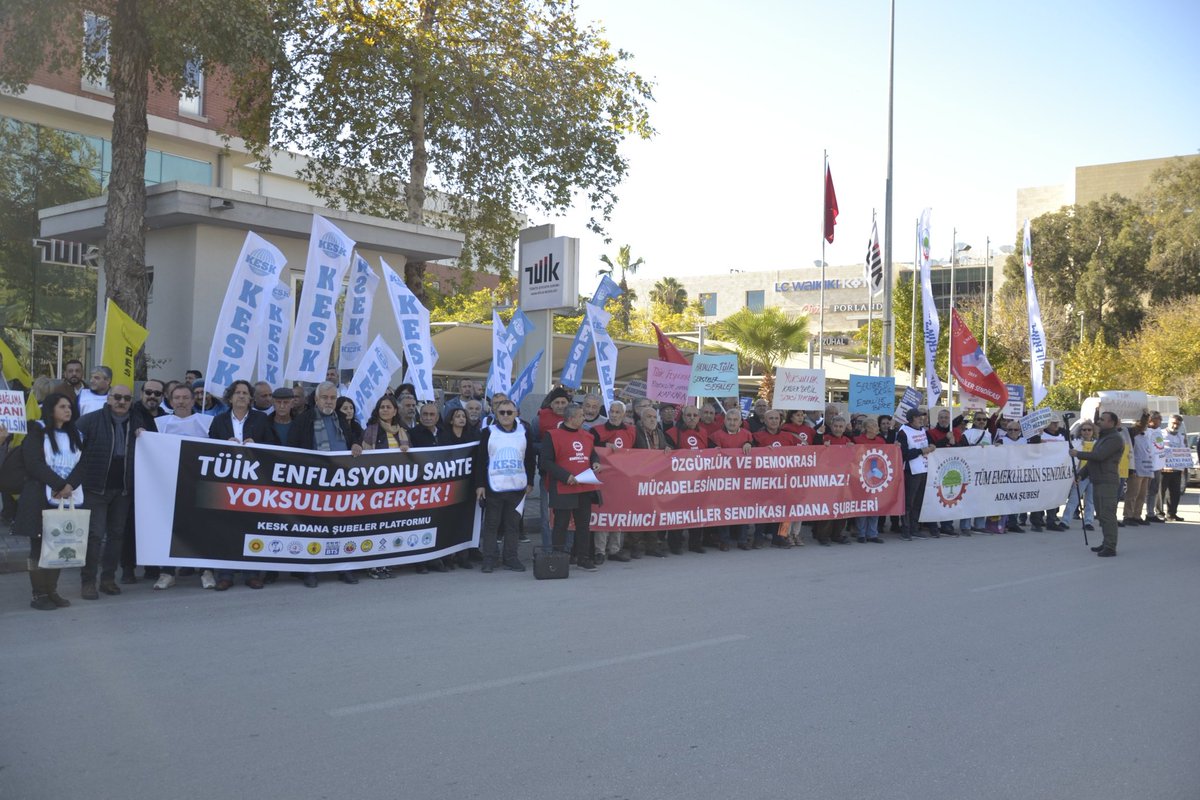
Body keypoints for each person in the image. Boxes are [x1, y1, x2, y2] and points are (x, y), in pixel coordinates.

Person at [77, 384, 155, 599]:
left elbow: (155, 447)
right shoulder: (90, 420)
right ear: (109, 398)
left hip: (123, 489)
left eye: (126, 398)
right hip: (95, 488)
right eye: (117, 397)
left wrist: (145, 436)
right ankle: (88, 582)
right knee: (94, 536)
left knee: (117, 536)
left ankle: (108, 579)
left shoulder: (139, 421)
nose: (122, 402)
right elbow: (72, 447)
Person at [289, 381, 363, 586]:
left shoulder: (341, 418)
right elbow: (293, 449)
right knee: (313, 527)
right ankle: (310, 570)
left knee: (340, 527)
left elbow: (353, 437)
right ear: (316, 399)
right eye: (325, 398)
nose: (329, 401)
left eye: (332, 398)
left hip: (341, 482)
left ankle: (343, 567)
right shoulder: (303, 420)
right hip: (314, 483)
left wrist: (356, 443)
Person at [16, 393, 83, 610]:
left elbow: (84, 464)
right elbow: (34, 463)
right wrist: (60, 485)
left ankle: (52, 590)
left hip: (65, 497)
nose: (68, 410)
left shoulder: (77, 434)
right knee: (39, 547)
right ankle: (39, 594)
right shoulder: (37, 431)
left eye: (69, 407)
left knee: (59, 546)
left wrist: (69, 486)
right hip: (39, 498)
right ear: (51, 409)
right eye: (62, 406)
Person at [208, 380, 274, 590]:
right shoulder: (219, 421)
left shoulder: (261, 419)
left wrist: (258, 446)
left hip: (253, 483)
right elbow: (208, 448)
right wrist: (222, 446)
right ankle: (225, 575)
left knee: (250, 526)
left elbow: (274, 447)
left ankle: (251, 574)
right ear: (230, 397)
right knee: (226, 529)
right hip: (227, 482)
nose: (242, 396)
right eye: (238, 393)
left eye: (246, 393)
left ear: (251, 398)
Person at [474, 398, 536, 573]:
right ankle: (489, 559)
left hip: (517, 487)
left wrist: (530, 481)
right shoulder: (488, 432)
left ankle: (511, 558)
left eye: (510, 412)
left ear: (516, 413)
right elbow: (480, 460)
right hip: (494, 486)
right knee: (491, 525)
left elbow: (530, 458)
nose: (506, 415)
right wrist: (480, 485)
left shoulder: (524, 431)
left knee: (512, 525)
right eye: (502, 412)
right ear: (496, 413)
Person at [542, 404, 606, 571]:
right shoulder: (552, 435)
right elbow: (545, 462)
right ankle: (558, 557)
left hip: (584, 486)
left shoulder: (587, 436)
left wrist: (596, 462)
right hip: (563, 487)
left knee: (583, 524)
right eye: (580, 415)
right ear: (571, 418)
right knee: (561, 524)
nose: (584, 418)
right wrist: (565, 476)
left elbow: (591, 453)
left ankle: (583, 558)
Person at [1071, 411, 1124, 557]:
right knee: (1101, 515)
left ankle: (1110, 546)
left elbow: (1100, 456)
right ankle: (1106, 542)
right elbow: (1093, 461)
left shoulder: (1114, 439)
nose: (1099, 421)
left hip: (1107, 482)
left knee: (1107, 515)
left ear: (1111, 422)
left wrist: (1078, 454)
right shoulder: (1103, 438)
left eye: (1102, 419)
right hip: (1098, 480)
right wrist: (1081, 474)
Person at [592, 400, 635, 562]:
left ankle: (615, 549)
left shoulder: (631, 431)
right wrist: (604, 444)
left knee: (619, 513)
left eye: (618, 412)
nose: (614, 415)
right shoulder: (597, 431)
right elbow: (589, 446)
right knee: (603, 514)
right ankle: (600, 551)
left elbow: (639, 452)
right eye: (612, 411)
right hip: (603, 479)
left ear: (624, 415)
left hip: (622, 480)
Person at [710, 406, 754, 550]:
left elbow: (757, 451)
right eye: (729, 419)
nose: (732, 422)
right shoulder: (716, 436)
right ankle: (724, 540)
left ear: (741, 422)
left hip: (743, 479)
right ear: (725, 421)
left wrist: (749, 444)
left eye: (735, 420)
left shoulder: (747, 435)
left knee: (742, 510)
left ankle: (742, 539)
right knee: (724, 510)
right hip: (724, 480)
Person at [752, 409, 795, 548]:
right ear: (764, 420)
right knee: (763, 508)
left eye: (776, 418)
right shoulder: (757, 436)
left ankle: (781, 537)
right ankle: (758, 537)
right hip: (764, 480)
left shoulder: (789, 437)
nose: (774, 421)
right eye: (771, 418)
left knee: (785, 509)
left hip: (785, 479)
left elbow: (800, 456)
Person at [895, 408, 936, 541]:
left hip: (923, 470)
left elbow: (929, 443)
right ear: (912, 418)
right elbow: (904, 454)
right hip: (910, 471)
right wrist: (921, 450)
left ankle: (915, 528)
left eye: (922, 417)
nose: (921, 419)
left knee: (918, 501)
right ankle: (906, 529)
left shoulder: (923, 430)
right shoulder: (903, 432)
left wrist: (932, 446)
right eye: (918, 417)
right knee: (908, 502)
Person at [813, 416, 853, 546]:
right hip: (827, 479)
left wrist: (852, 448)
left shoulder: (847, 440)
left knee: (841, 507)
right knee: (827, 508)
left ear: (844, 427)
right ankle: (822, 535)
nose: (838, 429)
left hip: (843, 480)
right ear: (831, 426)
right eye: (836, 426)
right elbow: (814, 451)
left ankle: (837, 534)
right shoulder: (825, 438)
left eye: (841, 426)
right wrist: (822, 445)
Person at [1027, 416, 1069, 531]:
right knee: (1038, 496)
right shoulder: (1041, 434)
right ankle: (1036, 522)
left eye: (1057, 423)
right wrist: (1037, 436)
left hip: (1056, 471)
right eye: (1052, 423)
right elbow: (1032, 446)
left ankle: (1051, 521)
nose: (1055, 425)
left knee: (1053, 497)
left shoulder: (1063, 434)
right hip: (1041, 470)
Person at [852, 417, 886, 543]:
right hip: (861, 477)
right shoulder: (857, 441)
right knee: (863, 505)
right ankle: (861, 533)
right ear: (867, 428)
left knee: (874, 505)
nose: (877, 428)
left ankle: (872, 533)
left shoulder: (881, 441)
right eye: (874, 426)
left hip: (876, 478)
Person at [993, 419, 1027, 532]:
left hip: (1020, 474)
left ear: (1019, 431)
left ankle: (1012, 522)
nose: (1013, 431)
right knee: (1006, 499)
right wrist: (995, 448)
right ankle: (1004, 522)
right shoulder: (1002, 441)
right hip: (1006, 475)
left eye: (1015, 429)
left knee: (1016, 500)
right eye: (1010, 429)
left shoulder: (1024, 441)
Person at [1067, 420, 1097, 533]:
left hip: (1093, 474)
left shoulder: (1097, 444)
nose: (1086, 432)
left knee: (1090, 500)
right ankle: (1065, 521)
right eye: (1084, 430)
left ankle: (1088, 521)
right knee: (1074, 499)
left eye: (1089, 430)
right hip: (1080, 474)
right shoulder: (1076, 443)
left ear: (1093, 431)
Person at [1124, 414, 1153, 526]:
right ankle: (1128, 515)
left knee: (1142, 495)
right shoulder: (1132, 435)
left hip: (1146, 469)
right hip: (1136, 469)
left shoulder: (1147, 435)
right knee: (1132, 494)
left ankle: (1137, 515)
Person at [1160, 414, 1186, 521]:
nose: (1175, 426)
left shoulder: (1181, 437)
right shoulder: (1161, 434)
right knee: (1160, 492)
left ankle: (1172, 513)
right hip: (1163, 469)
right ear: (1169, 422)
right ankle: (1159, 513)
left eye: (1178, 424)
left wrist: (1183, 467)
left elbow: (1184, 452)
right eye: (1173, 423)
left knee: (1175, 493)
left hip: (1176, 469)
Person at [1144, 411, 1168, 522]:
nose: (1160, 421)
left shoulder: (1159, 431)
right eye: (1158, 418)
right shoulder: (1145, 431)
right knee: (1144, 491)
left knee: (1154, 490)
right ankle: (1138, 513)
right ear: (1151, 420)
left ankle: (1151, 513)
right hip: (1148, 466)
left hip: (1158, 466)